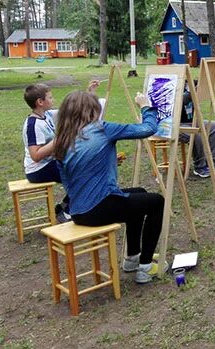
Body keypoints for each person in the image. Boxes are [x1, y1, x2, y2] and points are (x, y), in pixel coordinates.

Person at [53, 90, 166, 284]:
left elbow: (70, 180)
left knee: (140, 193)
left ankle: (132, 258)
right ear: (92, 111)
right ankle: (146, 267)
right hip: (98, 207)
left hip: (78, 210)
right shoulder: (101, 129)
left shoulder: (63, 140)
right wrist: (146, 106)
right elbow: (147, 129)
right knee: (157, 202)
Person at [22, 80, 99, 222]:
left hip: (52, 163)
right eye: (50, 97)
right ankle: (68, 213)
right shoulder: (33, 125)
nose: (53, 100)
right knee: (80, 175)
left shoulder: (48, 115)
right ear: (40, 101)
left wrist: (90, 92)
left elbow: (75, 109)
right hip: (38, 170)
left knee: (84, 169)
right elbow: (35, 156)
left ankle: (63, 206)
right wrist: (58, 141)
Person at [178, 81, 215, 178]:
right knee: (196, 134)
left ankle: (210, 160)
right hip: (177, 125)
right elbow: (184, 99)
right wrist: (192, 92)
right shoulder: (174, 91)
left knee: (214, 126)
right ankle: (199, 166)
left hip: (192, 122)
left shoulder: (189, 87)